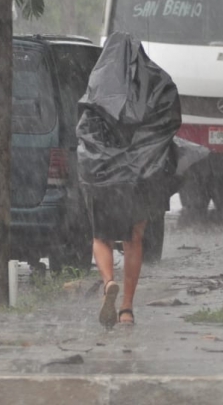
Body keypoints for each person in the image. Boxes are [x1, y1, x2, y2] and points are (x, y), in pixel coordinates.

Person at [76, 32, 181, 328]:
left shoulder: (97, 89)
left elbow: (85, 135)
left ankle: (108, 281)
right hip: (140, 178)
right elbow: (169, 123)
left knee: (101, 236)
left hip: (104, 178)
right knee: (134, 239)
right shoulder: (158, 84)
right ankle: (127, 310)